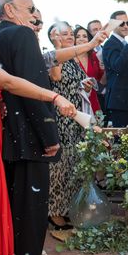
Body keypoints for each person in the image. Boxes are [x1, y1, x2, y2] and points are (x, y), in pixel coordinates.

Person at [0, 0, 73, 255]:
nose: (36, 15)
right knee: (31, 217)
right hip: (27, 140)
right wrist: (49, 135)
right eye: (30, 8)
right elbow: (32, 85)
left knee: (13, 217)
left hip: (3, 139)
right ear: (10, 9)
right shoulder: (21, 35)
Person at [47, 22, 91, 230]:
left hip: (75, 118)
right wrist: (57, 45)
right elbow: (55, 77)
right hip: (59, 116)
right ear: (54, 37)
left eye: (71, 33)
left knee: (72, 164)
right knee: (59, 167)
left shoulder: (73, 60)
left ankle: (67, 209)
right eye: (64, 34)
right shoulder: (52, 56)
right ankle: (54, 212)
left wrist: (86, 85)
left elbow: (79, 82)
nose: (70, 36)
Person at [102, 11, 128, 127]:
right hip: (119, 103)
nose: (126, 26)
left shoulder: (124, 44)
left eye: (127, 23)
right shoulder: (110, 44)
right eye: (122, 23)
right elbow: (117, 66)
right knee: (121, 141)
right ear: (113, 25)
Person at [74, 26, 104, 114]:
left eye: (84, 36)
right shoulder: (69, 57)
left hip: (93, 100)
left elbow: (102, 82)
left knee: (95, 127)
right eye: (78, 36)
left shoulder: (94, 56)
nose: (81, 39)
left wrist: (104, 68)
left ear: (89, 39)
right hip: (76, 100)